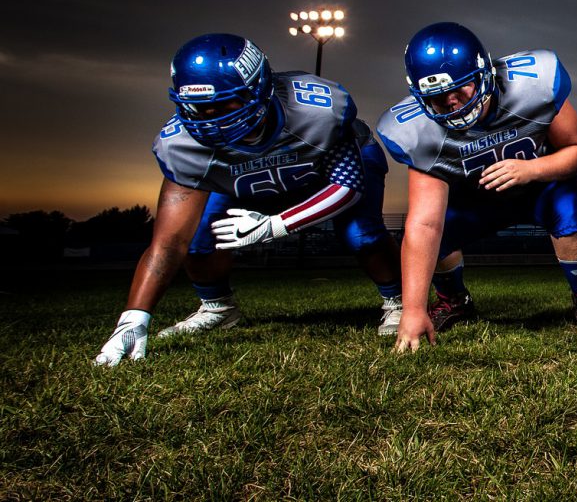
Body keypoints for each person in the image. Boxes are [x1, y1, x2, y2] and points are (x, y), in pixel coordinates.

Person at [94, 34, 403, 366]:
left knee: (361, 233)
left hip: (325, 172)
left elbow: (348, 187)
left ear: (260, 87)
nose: (213, 118)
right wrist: (134, 318)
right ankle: (218, 308)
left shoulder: (318, 110)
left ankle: (397, 301)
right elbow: (169, 243)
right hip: (244, 185)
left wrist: (275, 226)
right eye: (201, 108)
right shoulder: (181, 146)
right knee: (200, 238)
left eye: (227, 104)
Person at [378, 22, 577, 352]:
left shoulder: (534, 84)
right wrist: (412, 309)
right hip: (475, 199)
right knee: (432, 231)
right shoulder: (415, 130)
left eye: (460, 89)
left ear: (483, 74)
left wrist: (532, 169)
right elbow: (424, 223)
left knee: (569, 204)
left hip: (539, 186)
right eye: (438, 98)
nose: (453, 103)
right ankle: (453, 299)